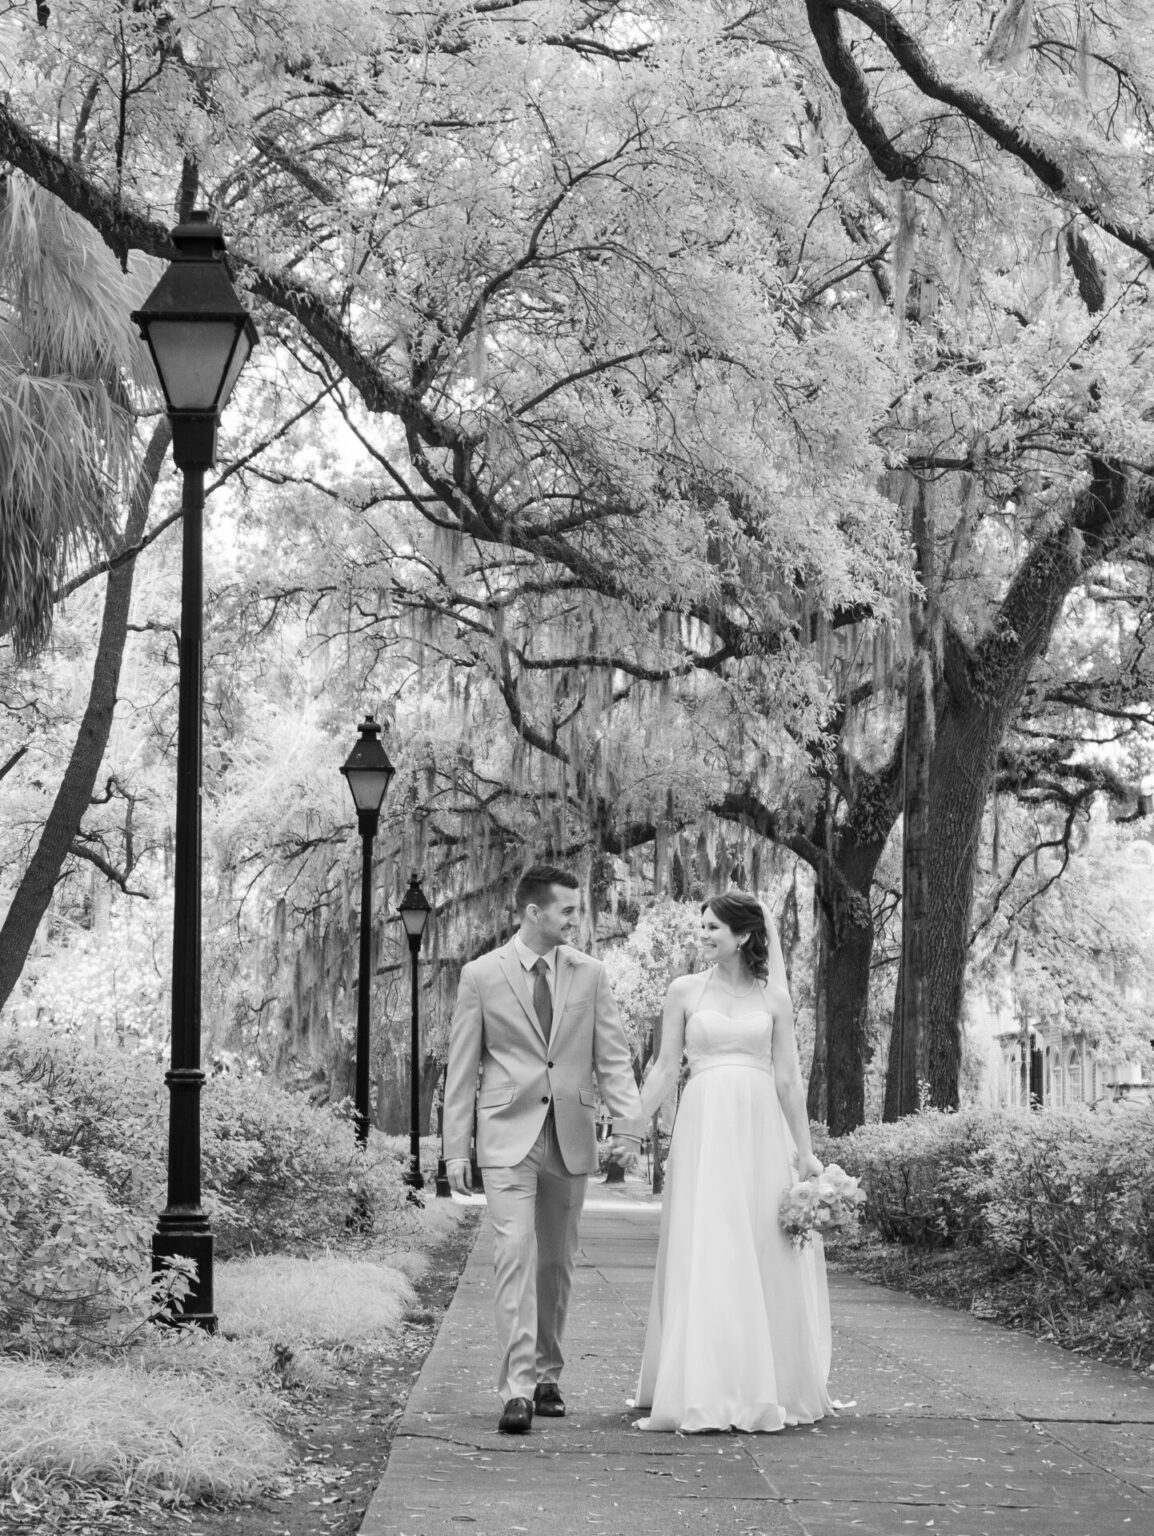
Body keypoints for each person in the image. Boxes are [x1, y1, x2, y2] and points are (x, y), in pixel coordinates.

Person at [621, 890, 833, 1434]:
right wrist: (632, 1125)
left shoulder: (776, 1000)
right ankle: (701, 1383)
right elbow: (666, 1069)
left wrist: (804, 1153)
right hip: (705, 1122)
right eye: (703, 926)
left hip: (760, 1126)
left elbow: (788, 1079)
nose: (704, 935)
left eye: (714, 927)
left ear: (742, 936)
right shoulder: (684, 991)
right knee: (708, 1241)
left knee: (761, 1243)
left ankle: (768, 1383)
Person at [441, 863, 643, 1435]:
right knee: (513, 1257)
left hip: (570, 1135)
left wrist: (627, 1125)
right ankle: (518, 1389)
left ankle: (549, 1373)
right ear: (534, 912)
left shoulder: (591, 974)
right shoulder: (481, 975)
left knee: (556, 1263)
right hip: (507, 1134)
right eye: (567, 910)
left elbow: (613, 1057)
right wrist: (457, 1147)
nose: (576, 920)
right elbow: (462, 1069)